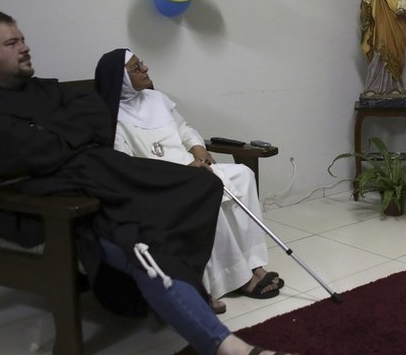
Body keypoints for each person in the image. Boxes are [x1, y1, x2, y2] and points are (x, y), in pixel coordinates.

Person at [0, 11, 286, 355]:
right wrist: (64, 139)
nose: (25, 48)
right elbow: (24, 155)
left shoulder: (43, 90)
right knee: (145, 243)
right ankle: (227, 344)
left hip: (101, 178)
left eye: (23, 39)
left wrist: (48, 137)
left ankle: (196, 286)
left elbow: (93, 117)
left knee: (202, 185)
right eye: (12, 43)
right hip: (53, 203)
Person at [94, 49, 283, 309]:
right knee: (209, 191)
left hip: (192, 166)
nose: (145, 69)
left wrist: (198, 149)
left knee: (243, 175)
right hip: (164, 182)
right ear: (120, 80)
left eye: (143, 63)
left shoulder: (156, 99)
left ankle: (252, 264)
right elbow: (130, 165)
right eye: (136, 68)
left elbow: (184, 129)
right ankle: (235, 278)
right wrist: (185, 171)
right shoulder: (111, 118)